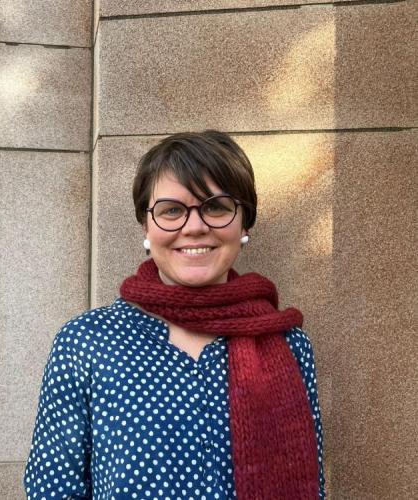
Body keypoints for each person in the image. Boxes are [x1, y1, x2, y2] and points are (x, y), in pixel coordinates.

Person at [24, 130, 326, 499]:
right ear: (146, 227)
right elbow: (52, 490)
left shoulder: (289, 345)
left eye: (216, 206)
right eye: (172, 210)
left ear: (243, 222)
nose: (195, 226)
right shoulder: (87, 343)